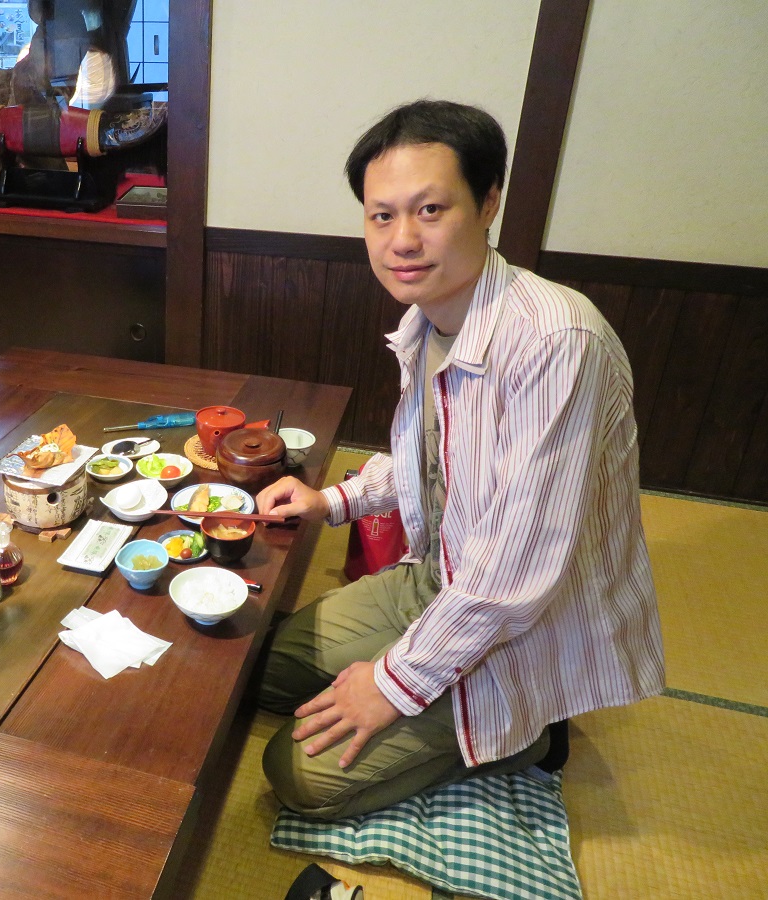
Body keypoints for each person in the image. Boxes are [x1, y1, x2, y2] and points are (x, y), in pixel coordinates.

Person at [255, 99, 666, 820]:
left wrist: (392, 684)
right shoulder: (429, 320)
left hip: (524, 626)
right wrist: (331, 501)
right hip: (441, 577)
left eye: (430, 210)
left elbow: (517, 573)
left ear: (488, 204)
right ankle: (441, 690)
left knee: (296, 776)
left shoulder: (554, 341)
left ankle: (530, 733)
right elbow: (434, 461)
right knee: (257, 673)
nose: (402, 240)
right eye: (381, 216)